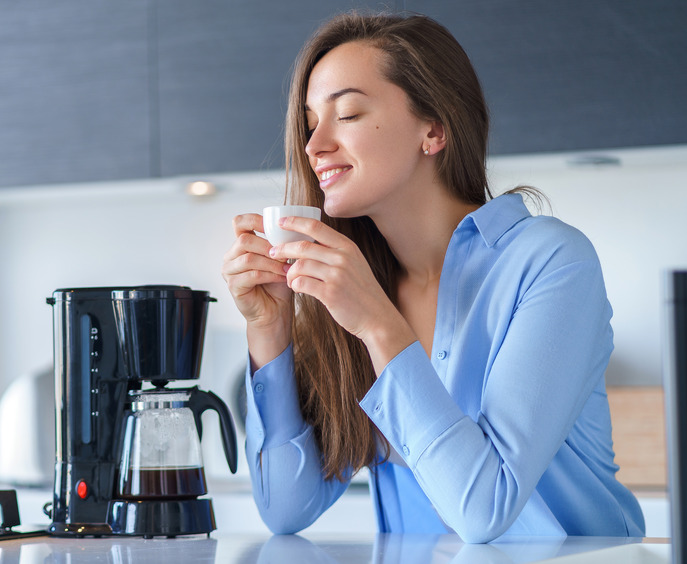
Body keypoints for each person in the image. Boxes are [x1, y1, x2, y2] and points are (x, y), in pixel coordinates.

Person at [220, 11, 644, 543]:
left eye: (347, 113)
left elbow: (485, 509)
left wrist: (380, 327)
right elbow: (286, 508)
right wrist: (270, 327)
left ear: (434, 129)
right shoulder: (356, 288)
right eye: (309, 124)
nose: (314, 145)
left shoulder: (551, 263)